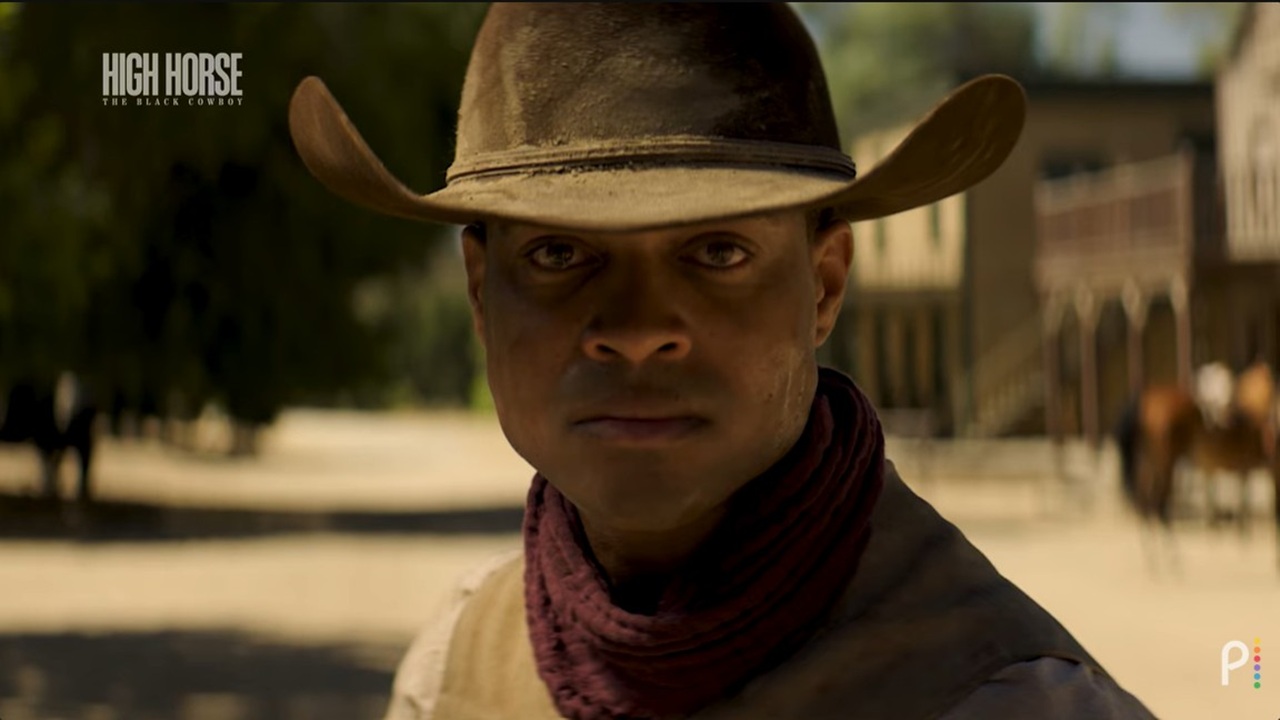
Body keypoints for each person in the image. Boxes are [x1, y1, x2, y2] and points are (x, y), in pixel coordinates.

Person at [287, 4, 1156, 718]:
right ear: (482, 294)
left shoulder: (999, 701)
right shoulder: (453, 673)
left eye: (715, 253)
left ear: (822, 287)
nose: (634, 330)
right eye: (559, 255)